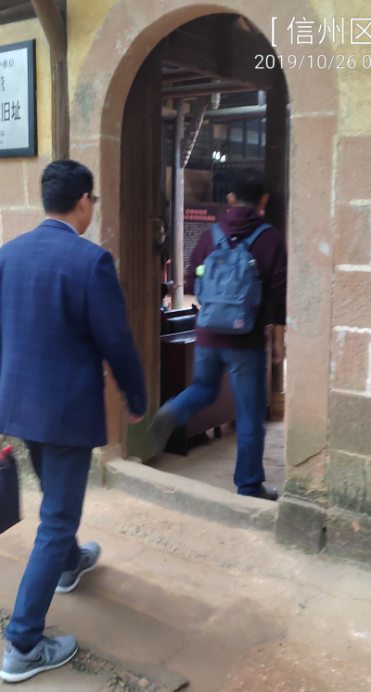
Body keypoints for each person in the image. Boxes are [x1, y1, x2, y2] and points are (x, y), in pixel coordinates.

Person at [0, 160, 147, 683]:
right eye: (93, 200)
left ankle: (70, 564)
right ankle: (23, 643)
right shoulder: (91, 261)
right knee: (56, 520)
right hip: (67, 412)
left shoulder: (8, 254)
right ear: (83, 201)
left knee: (56, 501)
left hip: (20, 407)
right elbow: (115, 338)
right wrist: (136, 393)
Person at [150, 168, 286, 501]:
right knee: (250, 414)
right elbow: (279, 297)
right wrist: (278, 341)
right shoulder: (271, 239)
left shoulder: (211, 235)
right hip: (247, 340)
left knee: (204, 388)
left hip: (208, 334)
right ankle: (249, 486)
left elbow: (192, 282)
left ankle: (172, 411)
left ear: (230, 198)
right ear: (264, 200)